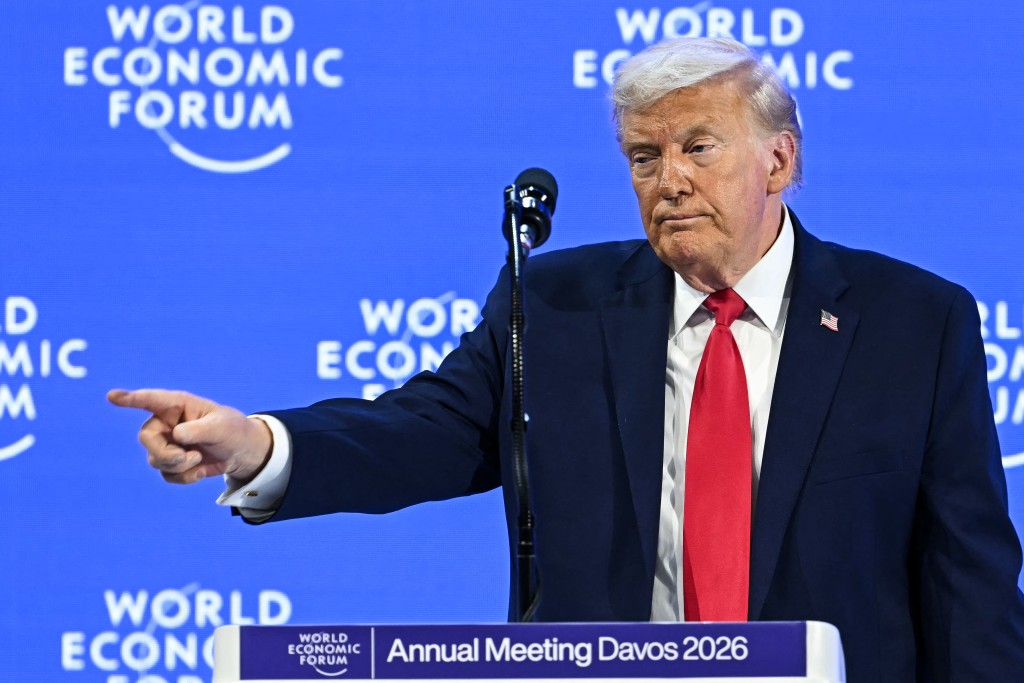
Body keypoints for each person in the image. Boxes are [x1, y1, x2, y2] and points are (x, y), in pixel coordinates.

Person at [109, 37, 1024, 681]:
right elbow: (426, 429)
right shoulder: (553, 305)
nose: (668, 180)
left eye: (698, 147)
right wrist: (260, 444)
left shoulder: (914, 322)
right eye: (642, 156)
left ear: (779, 160)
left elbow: (966, 580)